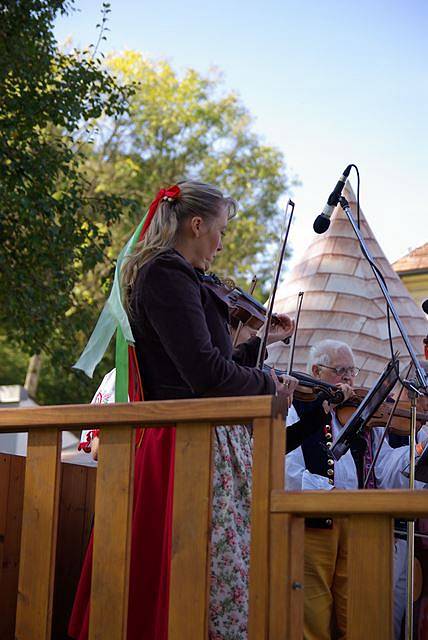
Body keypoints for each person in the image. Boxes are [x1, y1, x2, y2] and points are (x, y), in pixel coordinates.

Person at [69, 180, 299, 640]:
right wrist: (268, 385)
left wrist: (259, 345)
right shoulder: (166, 274)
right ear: (196, 224)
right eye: (220, 231)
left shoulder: (181, 275)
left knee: (207, 577)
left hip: (202, 440)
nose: (220, 243)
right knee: (185, 578)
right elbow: (205, 376)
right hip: (183, 444)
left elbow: (215, 364)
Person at [285, 339, 428, 640]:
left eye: (352, 371)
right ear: (316, 371)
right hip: (314, 526)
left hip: (357, 526)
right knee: (313, 619)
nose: (349, 379)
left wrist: (420, 444)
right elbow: (285, 470)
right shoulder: (297, 408)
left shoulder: (362, 418)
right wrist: (332, 495)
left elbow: (388, 473)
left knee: (358, 617)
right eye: (340, 371)